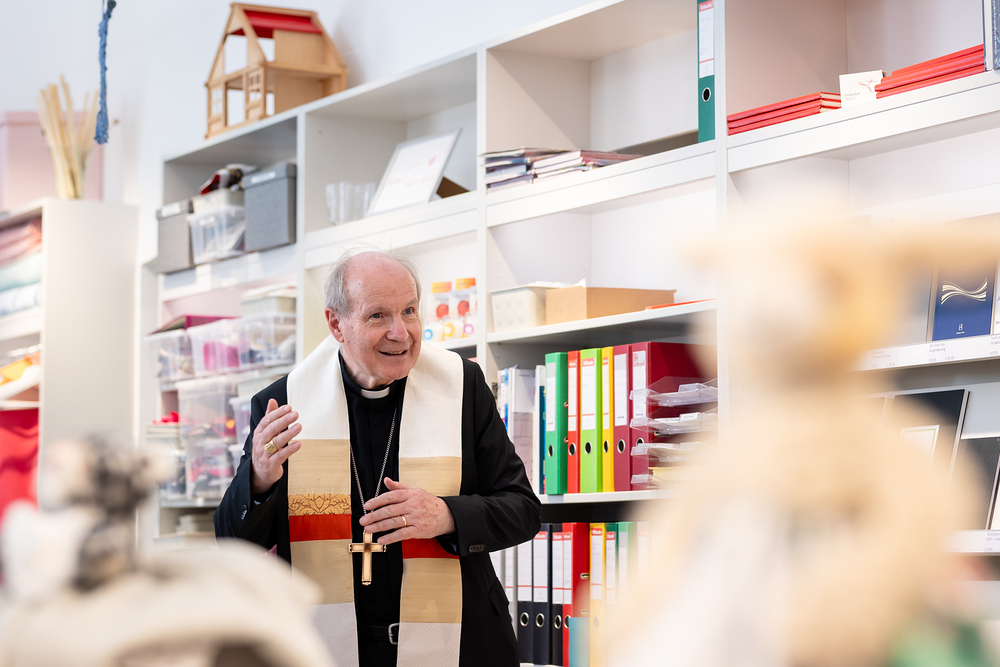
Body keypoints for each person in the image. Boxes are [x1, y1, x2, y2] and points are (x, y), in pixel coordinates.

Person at [216, 248, 540, 667]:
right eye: (378, 316)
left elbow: (523, 510)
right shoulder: (284, 404)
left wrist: (445, 515)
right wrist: (260, 479)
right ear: (337, 324)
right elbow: (232, 544)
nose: (401, 333)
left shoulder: (462, 386)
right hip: (329, 648)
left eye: (409, 311)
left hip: (462, 644)